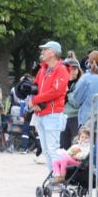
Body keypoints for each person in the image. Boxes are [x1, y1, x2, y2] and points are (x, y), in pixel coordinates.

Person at [29, 41, 71, 176]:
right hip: (40, 113)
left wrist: (35, 100)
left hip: (53, 114)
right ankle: (53, 176)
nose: (42, 52)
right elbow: (35, 87)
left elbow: (56, 91)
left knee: (53, 149)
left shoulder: (61, 69)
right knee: (46, 150)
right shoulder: (43, 69)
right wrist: (32, 100)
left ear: (52, 52)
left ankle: (58, 176)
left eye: (45, 49)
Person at [60, 58, 83, 149]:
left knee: (75, 146)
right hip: (62, 117)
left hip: (75, 117)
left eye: (75, 69)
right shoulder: (60, 82)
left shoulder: (80, 83)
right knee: (63, 146)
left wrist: (68, 92)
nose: (72, 71)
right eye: (69, 69)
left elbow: (76, 103)